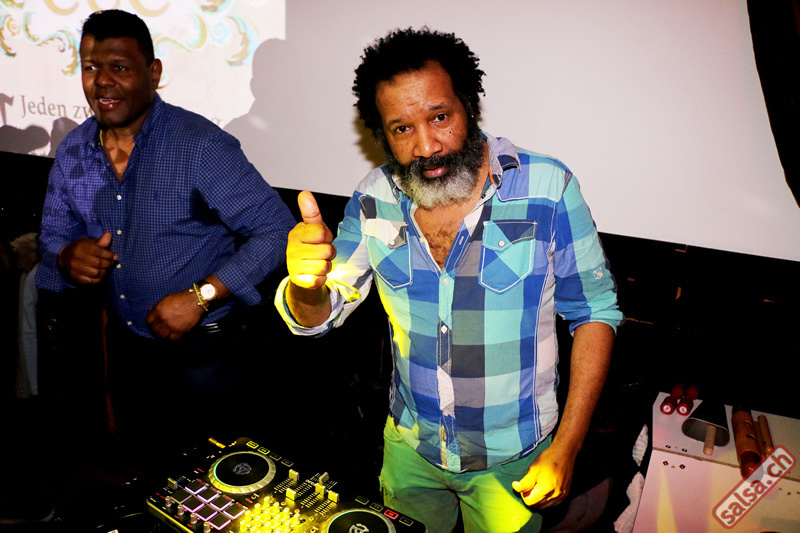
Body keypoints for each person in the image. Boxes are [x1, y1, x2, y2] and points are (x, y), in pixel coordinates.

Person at [275, 27, 623, 532]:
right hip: (410, 449)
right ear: (382, 134)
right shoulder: (374, 198)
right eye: (401, 129)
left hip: (514, 460)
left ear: (469, 105)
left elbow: (595, 313)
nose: (425, 145)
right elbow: (318, 317)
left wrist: (567, 447)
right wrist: (306, 286)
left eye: (439, 117)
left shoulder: (548, 187)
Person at [36, 9, 295, 457]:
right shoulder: (74, 149)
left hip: (206, 352)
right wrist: (66, 256)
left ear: (153, 73)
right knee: (144, 466)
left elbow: (276, 230)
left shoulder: (200, 145)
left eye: (119, 67)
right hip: (127, 347)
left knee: (212, 478)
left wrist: (200, 297)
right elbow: (53, 235)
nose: (102, 82)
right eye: (91, 67)